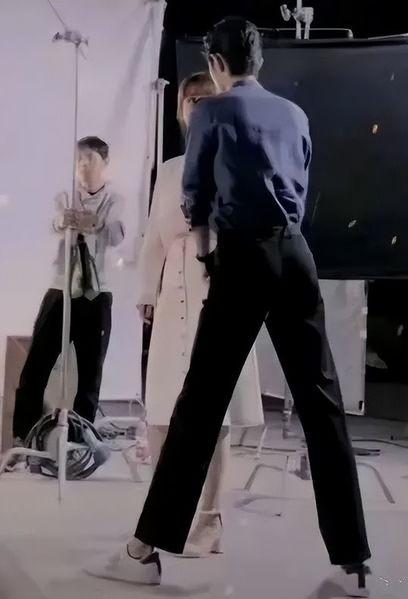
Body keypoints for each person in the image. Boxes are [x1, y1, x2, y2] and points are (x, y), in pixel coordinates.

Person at [88, 17, 371, 596]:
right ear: (258, 62)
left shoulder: (212, 113)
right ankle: (355, 561)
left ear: (216, 64)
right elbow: (301, 186)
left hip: (242, 256)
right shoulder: (295, 115)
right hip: (296, 255)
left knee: (199, 405)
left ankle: (144, 551)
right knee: (322, 405)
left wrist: (210, 251)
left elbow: (195, 199)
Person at [136, 71, 264, 557]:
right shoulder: (170, 170)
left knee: (215, 409)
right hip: (174, 288)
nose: (196, 105)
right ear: (181, 110)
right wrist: (147, 291)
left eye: (205, 98)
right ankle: (162, 515)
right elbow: (153, 237)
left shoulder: (238, 159)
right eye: (190, 99)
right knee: (162, 408)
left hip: (221, 284)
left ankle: (210, 519)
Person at [13, 136, 125, 443]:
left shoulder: (115, 199)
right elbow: (46, 226)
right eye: (79, 159)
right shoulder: (64, 195)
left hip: (97, 292)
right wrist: (61, 221)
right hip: (61, 288)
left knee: (90, 373)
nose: (83, 165)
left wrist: (95, 222)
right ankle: (23, 437)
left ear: (105, 162)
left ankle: (80, 441)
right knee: (36, 365)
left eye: (90, 159)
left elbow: (117, 234)